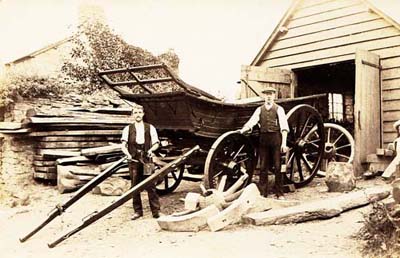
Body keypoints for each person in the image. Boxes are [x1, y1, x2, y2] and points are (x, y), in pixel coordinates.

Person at [239, 86, 289, 199]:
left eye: (270, 94)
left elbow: (284, 127)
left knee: (277, 166)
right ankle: (263, 193)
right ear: (264, 96)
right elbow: (252, 122)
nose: (268, 97)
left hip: (276, 139)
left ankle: (279, 193)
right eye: (266, 94)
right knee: (262, 167)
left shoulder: (279, 109)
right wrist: (243, 130)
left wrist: (284, 143)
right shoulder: (259, 109)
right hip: (263, 140)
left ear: (274, 96)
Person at [121, 104, 161, 220]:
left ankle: (155, 211)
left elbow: (156, 143)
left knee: (151, 184)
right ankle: (138, 211)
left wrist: (151, 150)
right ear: (132, 115)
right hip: (133, 159)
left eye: (139, 112)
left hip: (147, 159)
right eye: (135, 113)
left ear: (143, 114)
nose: (138, 115)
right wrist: (127, 154)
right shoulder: (127, 129)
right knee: (134, 185)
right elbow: (123, 145)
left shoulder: (150, 127)